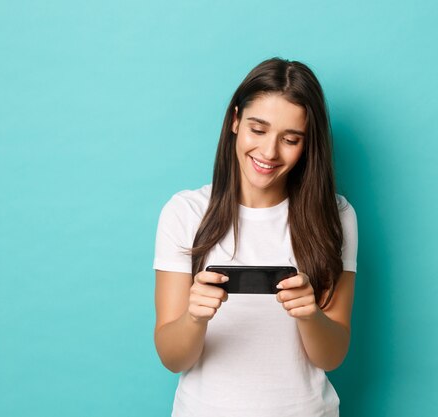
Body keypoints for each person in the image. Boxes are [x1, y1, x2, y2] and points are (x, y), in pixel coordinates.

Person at [153, 57, 358, 417]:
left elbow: (333, 355)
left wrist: (310, 315)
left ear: (308, 144)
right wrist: (194, 318)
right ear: (235, 120)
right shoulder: (184, 212)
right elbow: (172, 358)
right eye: (258, 130)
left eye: (290, 139)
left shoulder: (336, 216)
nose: (268, 152)